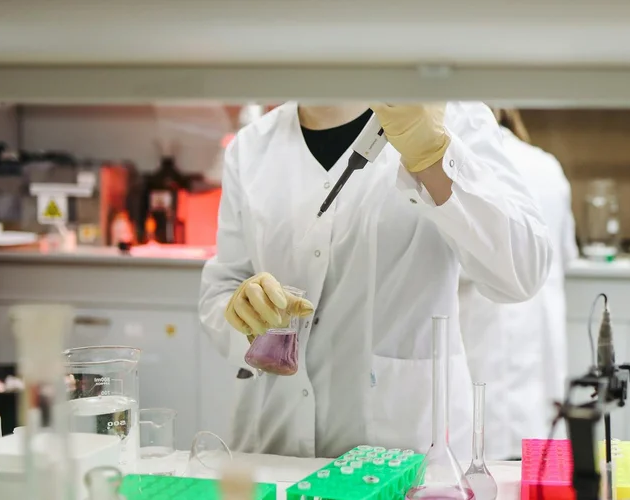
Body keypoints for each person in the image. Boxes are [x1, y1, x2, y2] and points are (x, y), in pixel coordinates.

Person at [199, 102, 553, 459]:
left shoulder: (453, 117)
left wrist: (435, 156)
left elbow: (522, 273)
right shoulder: (251, 147)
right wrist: (242, 311)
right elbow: (222, 288)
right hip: (274, 446)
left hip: (405, 451)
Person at [458, 108, 578, 459]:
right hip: (541, 373)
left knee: (485, 473)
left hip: (480, 367)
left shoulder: (461, 163)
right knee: (536, 478)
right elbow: (564, 256)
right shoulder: (547, 166)